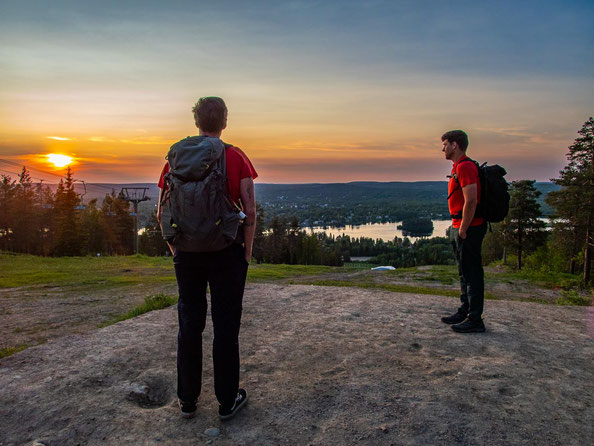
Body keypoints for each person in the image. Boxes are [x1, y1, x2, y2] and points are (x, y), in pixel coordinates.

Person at [157, 97, 257, 419]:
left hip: (187, 253)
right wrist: (247, 252)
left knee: (189, 324)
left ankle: (187, 399)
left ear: (196, 121)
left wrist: (176, 249)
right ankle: (227, 401)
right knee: (225, 326)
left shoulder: (175, 157)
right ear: (224, 122)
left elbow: (162, 211)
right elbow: (250, 211)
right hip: (227, 251)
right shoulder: (235, 156)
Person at [440, 130, 487, 333]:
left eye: (445, 144)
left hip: (469, 227)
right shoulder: (458, 167)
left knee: (472, 273)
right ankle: (465, 310)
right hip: (459, 225)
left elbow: (472, 200)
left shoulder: (466, 166)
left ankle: (475, 319)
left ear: (455, 145)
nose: (442, 148)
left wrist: (464, 229)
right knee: (464, 272)